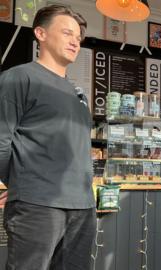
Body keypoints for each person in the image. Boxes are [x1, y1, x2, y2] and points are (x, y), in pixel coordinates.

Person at [0, 5, 96, 270]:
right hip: (38, 205)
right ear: (41, 33)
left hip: (83, 205)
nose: (75, 42)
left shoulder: (77, 92)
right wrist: (20, 181)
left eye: (78, 37)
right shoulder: (17, 78)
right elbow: (1, 141)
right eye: (67, 33)